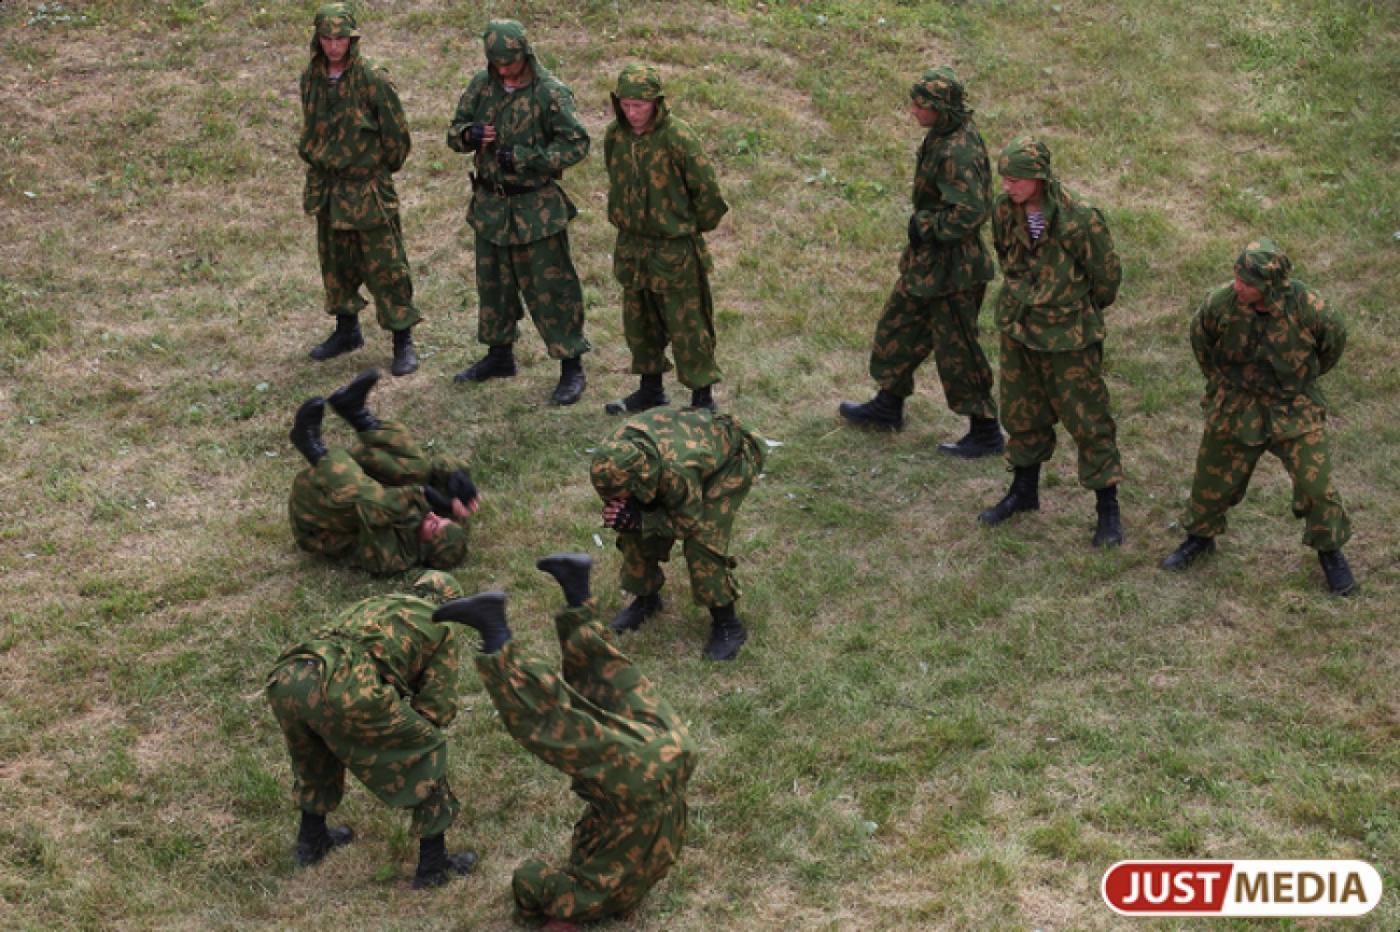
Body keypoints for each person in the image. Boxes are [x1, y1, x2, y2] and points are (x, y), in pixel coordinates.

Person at [434, 553, 695, 926]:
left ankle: (577, 594)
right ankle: (494, 634)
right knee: (548, 724)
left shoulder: (621, 887)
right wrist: (531, 916)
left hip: (677, 753)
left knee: (617, 682)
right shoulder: (585, 898)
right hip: (640, 782)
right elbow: (529, 879)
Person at [1161, 239, 1357, 595]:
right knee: (1212, 478)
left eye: (1248, 283)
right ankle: (1199, 538)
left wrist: (1295, 382)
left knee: (1317, 487)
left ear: (1271, 287)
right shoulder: (1220, 304)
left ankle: (1330, 552)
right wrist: (1223, 386)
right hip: (1238, 403)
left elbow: (1331, 348)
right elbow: (1201, 341)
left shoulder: (1312, 310)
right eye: (1237, 277)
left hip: (1292, 406)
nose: (1238, 287)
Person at [265, 570, 478, 889]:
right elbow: (437, 709)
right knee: (427, 751)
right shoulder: (443, 627)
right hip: (346, 687)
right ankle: (433, 866)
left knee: (314, 756)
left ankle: (312, 841)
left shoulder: (378, 602)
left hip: (293, 673)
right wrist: (407, 733)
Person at [839, 67, 1002, 456]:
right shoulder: (942, 136)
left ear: (941, 109)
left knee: (957, 350)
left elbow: (972, 212)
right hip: (929, 262)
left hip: (954, 270)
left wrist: (926, 225)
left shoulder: (957, 150)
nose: (913, 111)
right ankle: (887, 404)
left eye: (921, 105)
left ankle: (985, 431)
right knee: (899, 327)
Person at [979, 136, 1125, 547]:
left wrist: (1071, 308)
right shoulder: (1003, 210)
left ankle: (1107, 511)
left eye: (1017, 180)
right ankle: (1024, 492)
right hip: (1020, 329)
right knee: (1021, 413)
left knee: (1089, 420)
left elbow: (1106, 277)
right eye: (1005, 178)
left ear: (1040, 178)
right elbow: (1007, 256)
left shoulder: (1080, 220)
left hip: (1067, 340)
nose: (1008, 186)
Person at [447, 19, 591, 406]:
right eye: (498, 64)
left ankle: (570, 365)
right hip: (491, 207)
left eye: (510, 63)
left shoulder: (550, 94)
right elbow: (454, 131)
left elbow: (577, 144)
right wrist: (469, 135)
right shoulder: (482, 85)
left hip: (535, 209)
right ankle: (499, 355)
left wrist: (529, 159)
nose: (504, 70)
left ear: (524, 54)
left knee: (551, 289)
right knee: (493, 286)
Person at [298, 3, 421, 377]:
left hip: (367, 189)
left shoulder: (373, 80)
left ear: (352, 40)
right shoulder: (312, 79)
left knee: (386, 266)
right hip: (330, 188)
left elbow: (397, 138)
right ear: (318, 40)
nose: (334, 46)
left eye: (340, 39)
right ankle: (346, 330)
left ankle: (403, 339)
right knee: (336, 263)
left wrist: (374, 169)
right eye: (327, 38)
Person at [589, 407, 767, 661]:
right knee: (633, 528)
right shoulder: (612, 457)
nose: (612, 500)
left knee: (702, 541)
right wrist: (632, 517)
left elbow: (687, 524)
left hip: (732, 458)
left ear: (639, 479)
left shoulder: (676, 473)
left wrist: (643, 520)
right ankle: (647, 599)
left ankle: (728, 625)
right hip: (681, 454)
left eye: (619, 495)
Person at [602, 63, 729, 415]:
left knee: (688, 324)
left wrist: (682, 228)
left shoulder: (678, 138)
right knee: (639, 322)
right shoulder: (616, 136)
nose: (632, 113)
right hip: (632, 246)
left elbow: (709, 195)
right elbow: (614, 177)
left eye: (639, 105)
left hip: (673, 249)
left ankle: (702, 398)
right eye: (626, 105)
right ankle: (650, 389)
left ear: (656, 103)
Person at [288, 369, 479, 575]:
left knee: (370, 498)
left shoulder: (394, 558)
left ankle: (312, 448)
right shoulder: (450, 529)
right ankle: (357, 414)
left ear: (425, 548)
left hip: (317, 509)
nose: (433, 517)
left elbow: (373, 508)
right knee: (419, 469)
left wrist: (423, 494)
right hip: (346, 479)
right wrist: (455, 476)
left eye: (433, 527)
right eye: (441, 519)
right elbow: (437, 467)